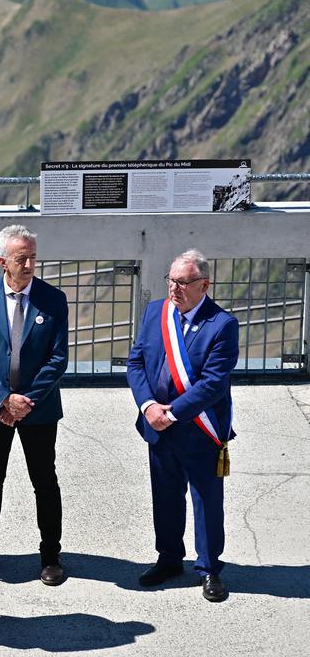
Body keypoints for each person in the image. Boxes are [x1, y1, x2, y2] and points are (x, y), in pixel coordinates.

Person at [126, 249, 238, 602]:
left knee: (206, 501)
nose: (175, 288)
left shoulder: (222, 325)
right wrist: (147, 407)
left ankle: (209, 568)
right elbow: (137, 362)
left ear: (204, 284)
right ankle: (169, 558)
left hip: (199, 428)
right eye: (171, 280)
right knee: (165, 496)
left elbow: (213, 383)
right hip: (157, 425)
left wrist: (170, 412)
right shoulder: (155, 312)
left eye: (184, 282)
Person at [0, 224, 69, 585]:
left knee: (44, 480)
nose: (29, 264)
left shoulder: (53, 300)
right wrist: (3, 399)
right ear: (2, 262)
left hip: (39, 409)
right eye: (21, 258)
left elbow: (57, 359)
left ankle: (51, 555)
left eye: (33, 257)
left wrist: (26, 401)